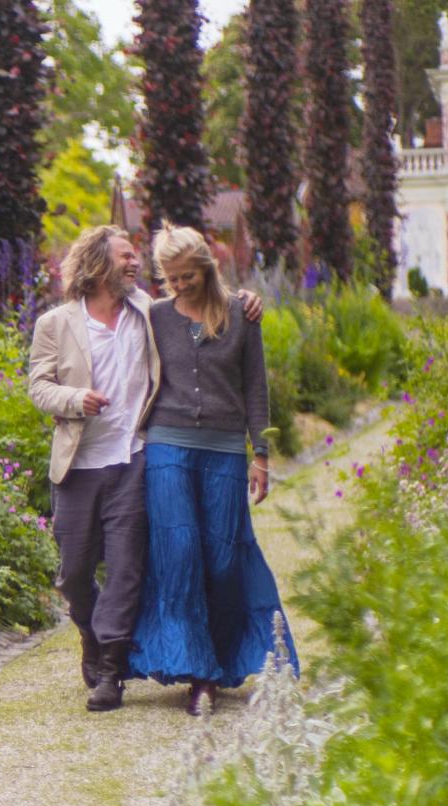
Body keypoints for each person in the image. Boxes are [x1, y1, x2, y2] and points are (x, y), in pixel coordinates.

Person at [26, 226, 262, 712]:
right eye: (127, 256)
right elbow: (39, 387)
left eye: (138, 257)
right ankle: (93, 636)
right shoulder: (56, 323)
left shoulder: (146, 311)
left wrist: (246, 298)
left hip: (135, 457)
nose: (137, 264)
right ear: (97, 263)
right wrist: (75, 399)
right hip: (78, 465)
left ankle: (111, 670)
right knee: (73, 574)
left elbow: (200, 300)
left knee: (127, 570)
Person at [128, 226, 298, 714]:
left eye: (187, 276)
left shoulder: (243, 315)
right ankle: (198, 675)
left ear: (207, 267)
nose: (179, 285)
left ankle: (226, 661)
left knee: (223, 559)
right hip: (167, 446)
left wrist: (260, 455)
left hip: (224, 447)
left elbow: (256, 388)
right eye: (170, 278)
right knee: (180, 554)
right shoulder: (155, 316)